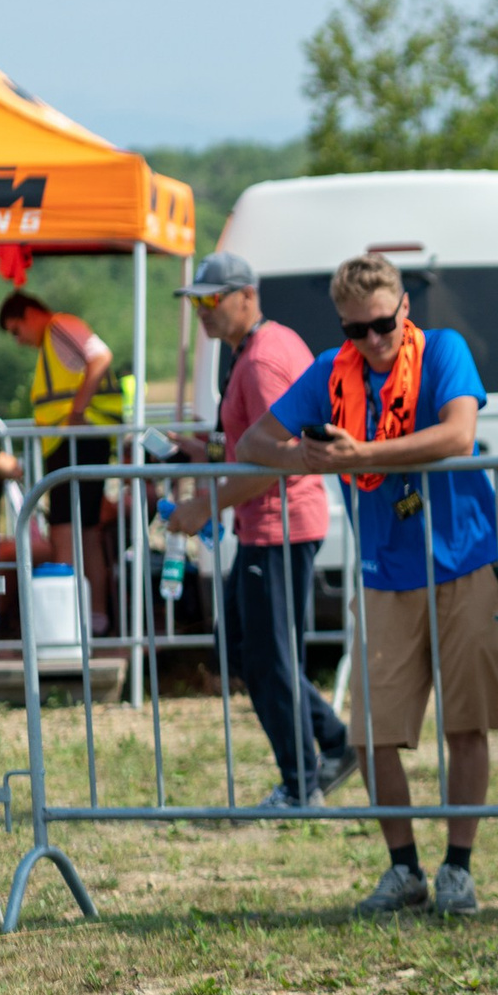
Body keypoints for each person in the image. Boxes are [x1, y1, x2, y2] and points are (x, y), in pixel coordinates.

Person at [239, 253, 498, 915]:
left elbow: (457, 434)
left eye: (381, 325)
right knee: (371, 732)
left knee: (466, 722)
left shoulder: (444, 349)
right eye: (354, 329)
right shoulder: (332, 370)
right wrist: (303, 455)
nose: (371, 340)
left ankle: (458, 868)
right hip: (385, 567)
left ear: (403, 310)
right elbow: (252, 442)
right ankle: (403, 869)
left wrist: (359, 456)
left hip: (464, 556)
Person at [167, 253, 357, 811]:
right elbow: (256, 442)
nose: (202, 311)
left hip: (279, 526)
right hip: (267, 525)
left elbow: (283, 460)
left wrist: (206, 504)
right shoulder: (255, 351)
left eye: (212, 298)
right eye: (197, 301)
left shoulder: (261, 360)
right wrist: (204, 450)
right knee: (251, 653)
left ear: (246, 295)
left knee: (268, 661)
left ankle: (302, 785)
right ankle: (338, 746)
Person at [0, 291, 128, 635]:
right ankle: (93, 618)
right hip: (77, 443)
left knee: (67, 533)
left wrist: (77, 413)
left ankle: (70, 621)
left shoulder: (61, 326)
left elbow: (99, 357)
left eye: (15, 330)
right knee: (84, 533)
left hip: (77, 442)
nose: (18, 341)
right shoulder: (55, 339)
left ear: (28, 314)